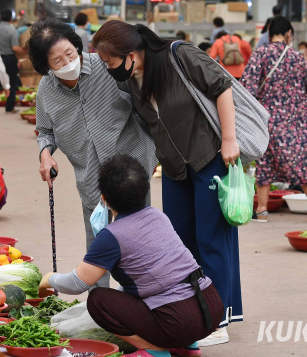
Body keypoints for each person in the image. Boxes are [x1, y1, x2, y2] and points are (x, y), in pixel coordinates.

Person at [92, 20, 240, 347]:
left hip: (210, 156)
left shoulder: (179, 55)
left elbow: (222, 86)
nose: (108, 68)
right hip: (175, 168)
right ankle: (190, 311)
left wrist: (229, 139)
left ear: (131, 53)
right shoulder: (134, 79)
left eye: (109, 61)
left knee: (211, 238)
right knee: (180, 241)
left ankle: (218, 319)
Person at [39, 155, 223, 357]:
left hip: (178, 320)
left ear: (104, 198)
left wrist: (50, 279)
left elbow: (77, 283)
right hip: (210, 309)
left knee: (98, 300)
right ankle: (188, 346)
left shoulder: (111, 236)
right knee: (156, 288)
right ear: (144, 191)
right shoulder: (157, 216)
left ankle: (155, 350)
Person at [30, 18, 157, 288]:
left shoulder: (108, 67)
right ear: (46, 66)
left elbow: (143, 101)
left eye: (70, 53)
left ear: (77, 47)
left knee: (139, 238)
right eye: (57, 61)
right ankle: (103, 307)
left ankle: (140, 300)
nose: (67, 63)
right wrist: (45, 153)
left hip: (132, 165)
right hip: (90, 175)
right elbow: (45, 131)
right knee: (99, 244)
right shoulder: (46, 89)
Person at [241, 15, 307, 224]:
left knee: (265, 162)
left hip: (268, 120)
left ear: (269, 35)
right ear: (289, 34)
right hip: (299, 121)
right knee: (303, 161)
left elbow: (247, 89)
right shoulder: (297, 56)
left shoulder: (260, 53)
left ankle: (261, 210)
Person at [0, 9, 24, 113]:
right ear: (11, 19)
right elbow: (15, 48)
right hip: (9, 59)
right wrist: (26, 50)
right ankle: (9, 107)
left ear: (1, 18)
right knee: (12, 82)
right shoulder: (12, 30)